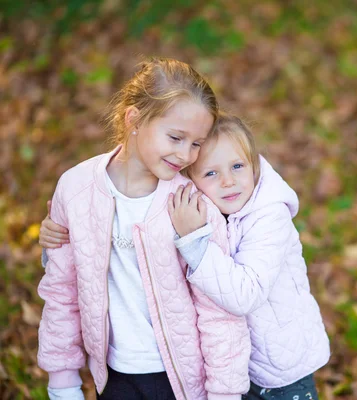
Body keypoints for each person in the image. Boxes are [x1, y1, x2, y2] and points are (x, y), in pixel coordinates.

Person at [41, 113, 330, 399]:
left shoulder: (269, 216)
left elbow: (245, 294)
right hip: (229, 366)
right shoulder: (205, 208)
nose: (228, 181)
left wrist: (195, 242)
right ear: (191, 179)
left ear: (254, 165)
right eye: (211, 173)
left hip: (279, 372)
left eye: (238, 166)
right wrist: (63, 236)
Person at [36, 58, 250, 400]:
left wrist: (224, 393)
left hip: (181, 380)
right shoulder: (76, 189)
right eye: (176, 137)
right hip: (113, 376)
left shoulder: (192, 205)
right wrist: (62, 380)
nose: (186, 155)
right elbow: (62, 291)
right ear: (133, 118)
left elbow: (218, 313)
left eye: (197, 143)